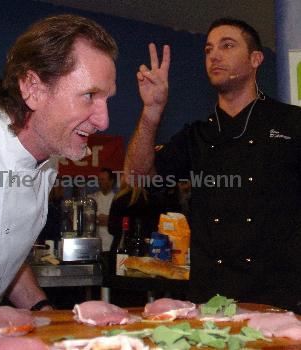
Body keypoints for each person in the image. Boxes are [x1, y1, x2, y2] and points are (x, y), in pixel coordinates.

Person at [0, 14, 117, 336]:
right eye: (90, 95)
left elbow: (5, 250)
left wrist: (43, 312)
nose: (103, 121)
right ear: (32, 88)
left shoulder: (46, 160)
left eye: (106, 99)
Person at [125, 17, 301, 312]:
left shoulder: (292, 123)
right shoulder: (197, 134)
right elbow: (136, 177)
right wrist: (152, 111)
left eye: (227, 46)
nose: (214, 55)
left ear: (255, 59)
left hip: (281, 298)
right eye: (208, 50)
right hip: (210, 299)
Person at [89, 168, 116, 251]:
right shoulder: (92, 198)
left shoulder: (117, 199)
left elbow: (118, 221)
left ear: (111, 181)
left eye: (103, 179)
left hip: (111, 244)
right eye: (99, 179)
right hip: (95, 245)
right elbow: (88, 219)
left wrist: (109, 220)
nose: (100, 182)